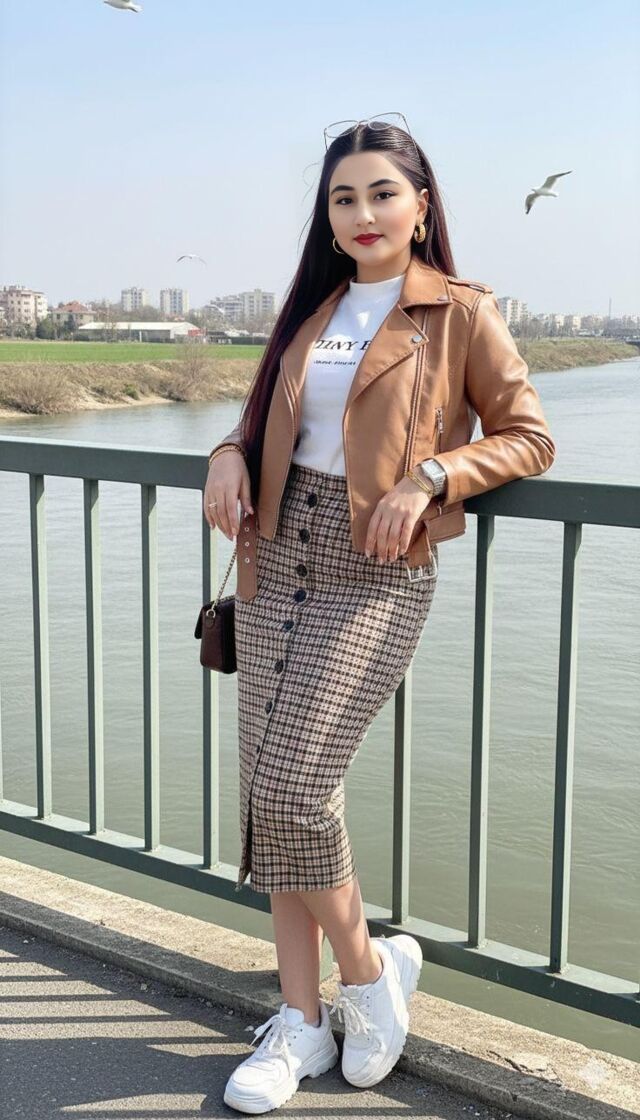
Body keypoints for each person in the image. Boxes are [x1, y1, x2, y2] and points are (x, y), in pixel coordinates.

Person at [203, 113, 556, 1114]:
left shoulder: (458, 312)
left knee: (295, 787)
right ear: (328, 215)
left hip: (375, 569)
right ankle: (302, 1021)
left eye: (382, 193)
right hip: (276, 555)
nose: (363, 213)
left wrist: (434, 475)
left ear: (421, 205)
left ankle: (368, 978)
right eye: (343, 197)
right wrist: (225, 455)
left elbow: (529, 435)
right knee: (271, 796)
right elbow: (260, 421)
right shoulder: (309, 310)